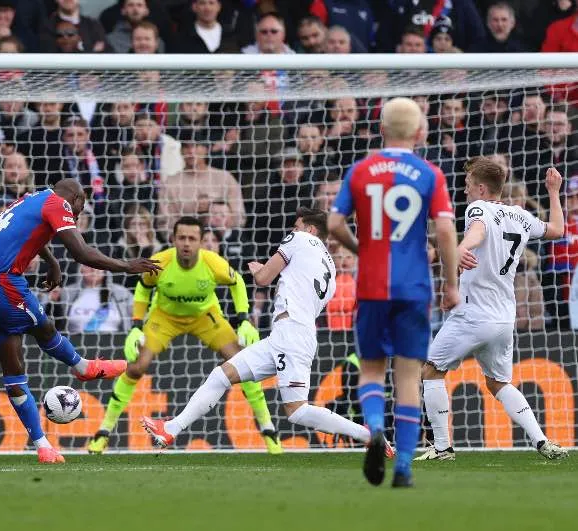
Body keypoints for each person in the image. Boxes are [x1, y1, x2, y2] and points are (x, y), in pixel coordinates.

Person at [142, 209, 394, 456]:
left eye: (295, 226)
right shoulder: (331, 269)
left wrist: (257, 270)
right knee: (222, 374)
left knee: (297, 411)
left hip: (291, 334)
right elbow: (298, 290)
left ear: (310, 229)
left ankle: (369, 435)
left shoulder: (299, 239)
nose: (291, 231)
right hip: (288, 334)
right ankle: (171, 429)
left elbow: (263, 279)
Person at [0, 179, 159, 464]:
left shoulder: (35, 198)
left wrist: (52, 262)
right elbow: (81, 253)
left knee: (14, 371)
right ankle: (83, 367)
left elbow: (28, 232)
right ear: (77, 198)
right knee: (43, 328)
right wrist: (127, 266)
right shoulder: (59, 204)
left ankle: (43, 446)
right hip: (1, 283)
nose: (79, 213)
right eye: (82, 205)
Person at [327, 97, 460, 488]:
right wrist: (451, 283)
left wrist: (360, 249)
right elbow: (447, 231)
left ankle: (373, 429)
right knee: (408, 378)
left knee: (370, 369)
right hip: (414, 287)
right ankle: (403, 466)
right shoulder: (429, 173)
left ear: (380, 129)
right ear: (420, 132)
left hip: (370, 284)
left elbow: (333, 222)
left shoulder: (361, 170)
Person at [87, 216, 281, 455]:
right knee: (137, 366)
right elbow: (143, 288)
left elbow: (237, 282)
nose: (186, 243)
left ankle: (268, 429)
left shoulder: (213, 263)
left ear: (201, 242)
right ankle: (103, 432)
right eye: (182, 238)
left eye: (192, 238)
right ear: (173, 240)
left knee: (242, 364)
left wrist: (243, 320)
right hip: (164, 318)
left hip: (205, 317)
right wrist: (136, 326)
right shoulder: (160, 262)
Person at [417, 159, 569, 461]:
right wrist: (554, 192)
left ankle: (443, 446)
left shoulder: (479, 208)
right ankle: (541, 441)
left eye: (468, 183)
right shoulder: (520, 215)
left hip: (474, 313)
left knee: (431, 370)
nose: (464, 189)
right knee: (498, 382)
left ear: (482, 188)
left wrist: (462, 247)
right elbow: (556, 229)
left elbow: (478, 229)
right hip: (503, 318)